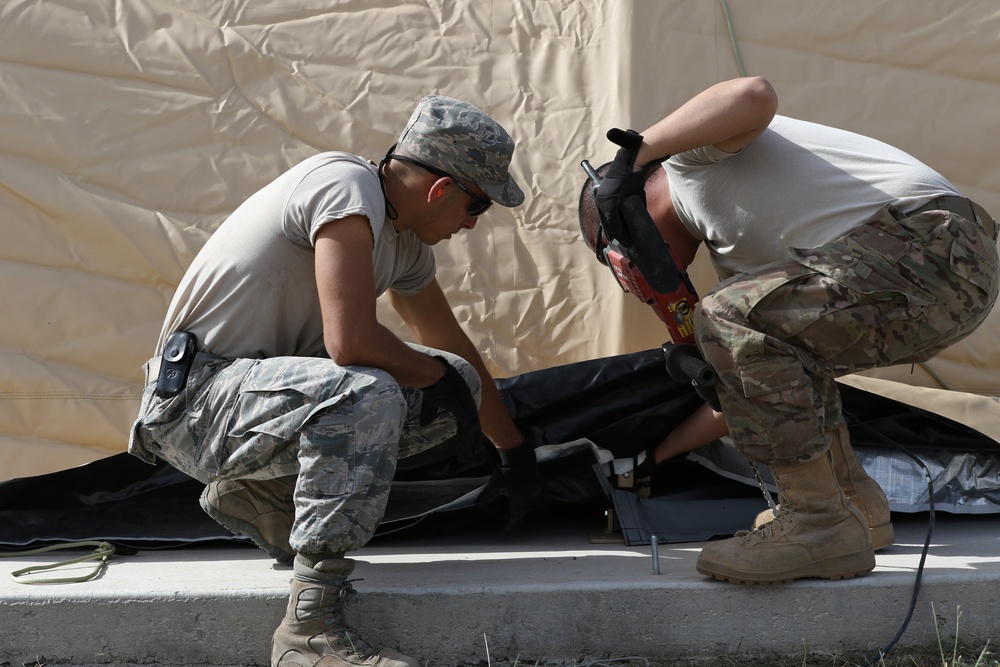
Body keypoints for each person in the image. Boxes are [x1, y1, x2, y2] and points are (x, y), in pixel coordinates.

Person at [129, 95, 544, 667]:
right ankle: (308, 634)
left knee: (456, 385)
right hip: (194, 404)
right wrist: (438, 379)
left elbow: (453, 352)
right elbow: (349, 342)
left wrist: (513, 453)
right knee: (368, 389)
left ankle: (258, 494)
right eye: (478, 207)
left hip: (251, 403)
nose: (472, 224)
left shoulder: (403, 246)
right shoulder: (345, 186)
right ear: (441, 190)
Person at [579, 76, 998, 584]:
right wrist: (662, 451)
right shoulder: (741, 260)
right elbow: (761, 381)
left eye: (620, 260)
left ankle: (817, 523)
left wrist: (635, 159)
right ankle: (853, 508)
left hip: (926, 242)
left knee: (728, 316)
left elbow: (754, 94)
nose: (634, 276)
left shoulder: (687, 164)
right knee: (772, 340)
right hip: (950, 270)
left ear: (625, 216)